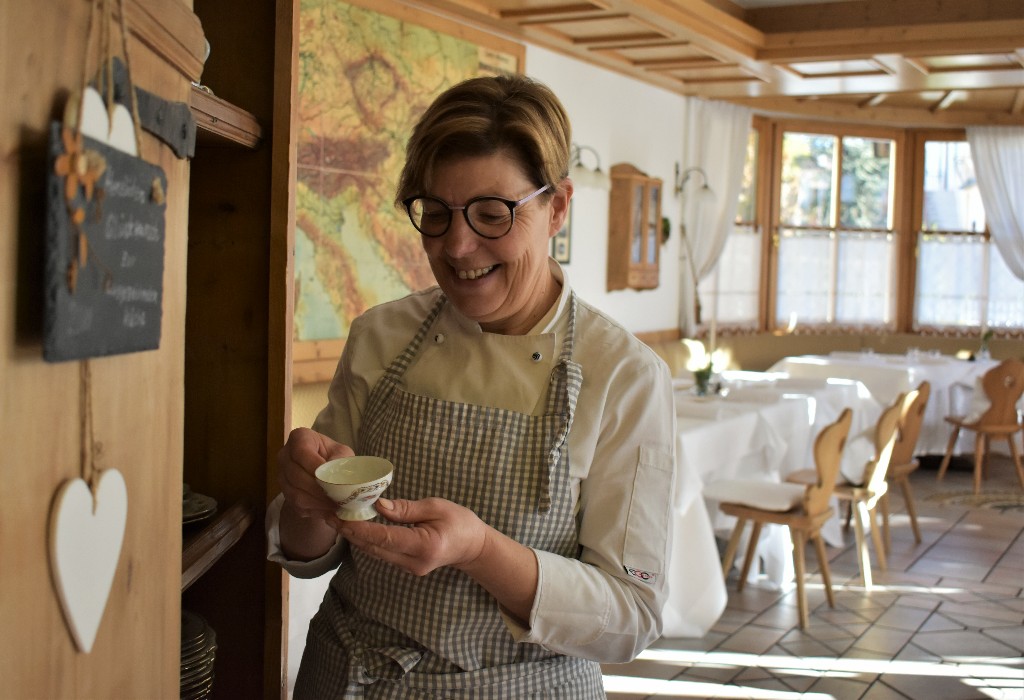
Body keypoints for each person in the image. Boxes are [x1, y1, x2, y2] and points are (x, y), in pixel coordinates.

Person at [267, 73, 677, 698]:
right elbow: (310, 551)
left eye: (492, 213)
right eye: (435, 213)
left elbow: (630, 615)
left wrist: (481, 551)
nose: (457, 246)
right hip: (348, 680)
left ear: (557, 207)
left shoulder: (624, 375)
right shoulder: (380, 336)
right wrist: (305, 501)